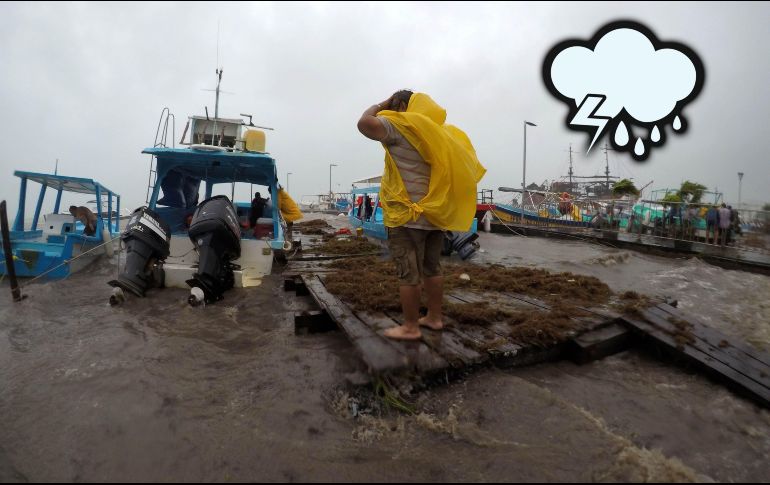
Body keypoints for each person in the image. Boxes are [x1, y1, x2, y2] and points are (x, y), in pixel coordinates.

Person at [357, 90, 485, 340]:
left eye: (395, 107)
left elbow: (363, 123)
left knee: (408, 272)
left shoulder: (400, 126)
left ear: (403, 106)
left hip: (406, 216)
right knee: (432, 268)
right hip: (434, 214)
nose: (390, 112)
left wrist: (382, 104)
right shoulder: (440, 133)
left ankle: (410, 327)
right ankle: (435, 318)